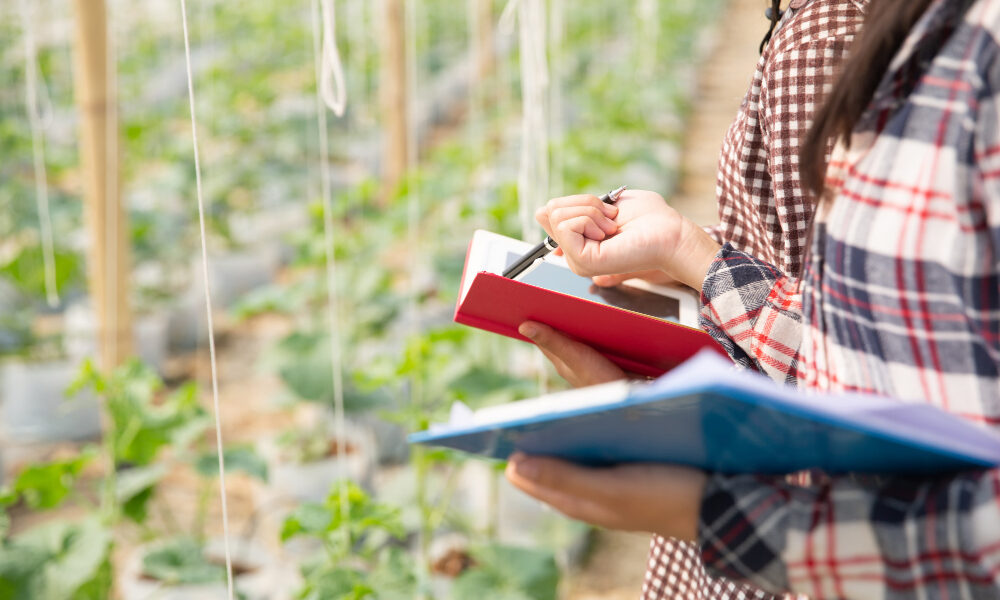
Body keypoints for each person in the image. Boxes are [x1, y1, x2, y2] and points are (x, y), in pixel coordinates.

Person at [508, 0, 1000, 597]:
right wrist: (680, 258)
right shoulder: (866, 28)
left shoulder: (824, 42)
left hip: (809, 515)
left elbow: (840, 354)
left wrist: (704, 500)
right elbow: (839, 293)